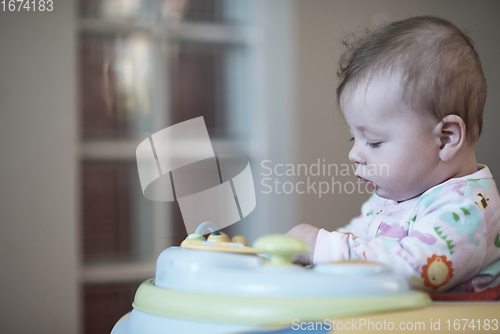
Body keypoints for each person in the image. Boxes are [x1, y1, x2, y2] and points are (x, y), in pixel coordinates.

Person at [287, 16, 500, 292]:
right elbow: (359, 236)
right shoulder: (397, 195)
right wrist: (312, 251)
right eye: (355, 138)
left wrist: (326, 248)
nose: (354, 154)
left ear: (446, 139)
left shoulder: (468, 210)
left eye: (373, 142)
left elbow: (408, 270)